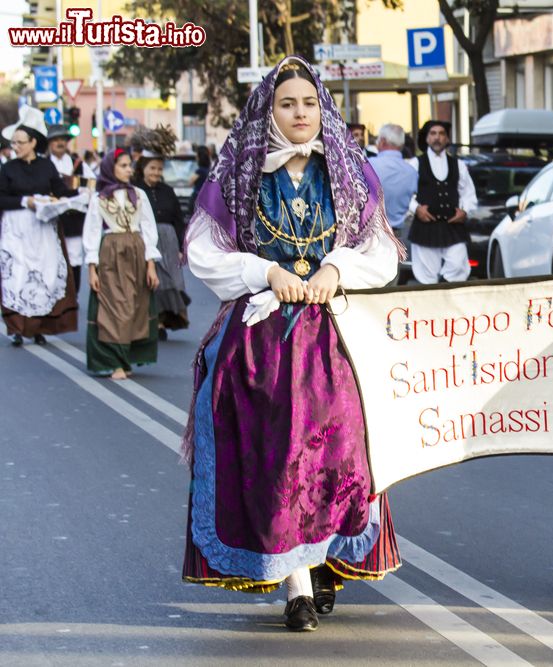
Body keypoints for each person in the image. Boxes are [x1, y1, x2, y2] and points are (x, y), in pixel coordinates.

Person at [180, 56, 405, 633]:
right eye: (287, 104)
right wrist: (262, 271)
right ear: (269, 112)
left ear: (322, 108)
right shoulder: (237, 173)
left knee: (340, 450)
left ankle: (325, 555)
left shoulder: (350, 172)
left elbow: (381, 253)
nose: (299, 113)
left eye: (308, 103)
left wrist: (336, 267)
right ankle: (296, 586)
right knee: (277, 457)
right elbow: (203, 253)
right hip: (264, 339)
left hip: (334, 338)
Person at [0, 106, 79, 346]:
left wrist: (77, 194)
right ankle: (16, 328)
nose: (16, 146)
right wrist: (26, 201)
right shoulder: (8, 168)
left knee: (45, 278)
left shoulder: (47, 166)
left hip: (43, 228)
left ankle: (38, 328)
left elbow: (60, 191)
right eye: (13, 143)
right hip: (16, 227)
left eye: (20, 142)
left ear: (33, 142)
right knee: (17, 278)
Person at [82, 149, 161, 379]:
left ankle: (127, 358)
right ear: (111, 168)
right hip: (111, 254)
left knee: (136, 304)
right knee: (115, 306)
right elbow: (93, 232)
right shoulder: (99, 199)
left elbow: (148, 229)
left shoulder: (139, 195)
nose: (129, 169)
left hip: (136, 251)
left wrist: (151, 265)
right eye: (123, 165)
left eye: (129, 165)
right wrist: (92, 268)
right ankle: (116, 362)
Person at [131, 125, 190, 338]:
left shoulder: (168, 190)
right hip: (145, 240)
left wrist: (182, 246)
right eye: (152, 168)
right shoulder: (135, 189)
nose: (156, 172)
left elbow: (177, 219)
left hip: (168, 240)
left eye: (159, 169)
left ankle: (164, 321)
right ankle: (151, 322)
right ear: (143, 168)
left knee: (170, 283)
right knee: (150, 281)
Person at [406, 120, 478, 284]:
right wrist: (416, 209)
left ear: (447, 139)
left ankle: (448, 296)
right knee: (427, 277)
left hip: (453, 225)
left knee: (458, 264)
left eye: (441, 134)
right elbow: (404, 194)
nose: (437, 138)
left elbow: (468, 193)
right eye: (433, 134)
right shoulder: (415, 164)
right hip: (425, 227)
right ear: (426, 138)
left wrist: (464, 210)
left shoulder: (458, 165)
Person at [47, 124, 88, 295]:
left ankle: (73, 295)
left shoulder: (77, 164)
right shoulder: (44, 164)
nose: (59, 143)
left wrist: (80, 193)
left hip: (73, 220)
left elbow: (89, 186)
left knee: (74, 259)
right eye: (55, 139)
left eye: (63, 139)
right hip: (50, 220)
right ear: (49, 143)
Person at [369, 123, 417, 242]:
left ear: (383, 141)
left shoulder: (367, 165)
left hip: (369, 233)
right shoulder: (411, 172)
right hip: (396, 236)